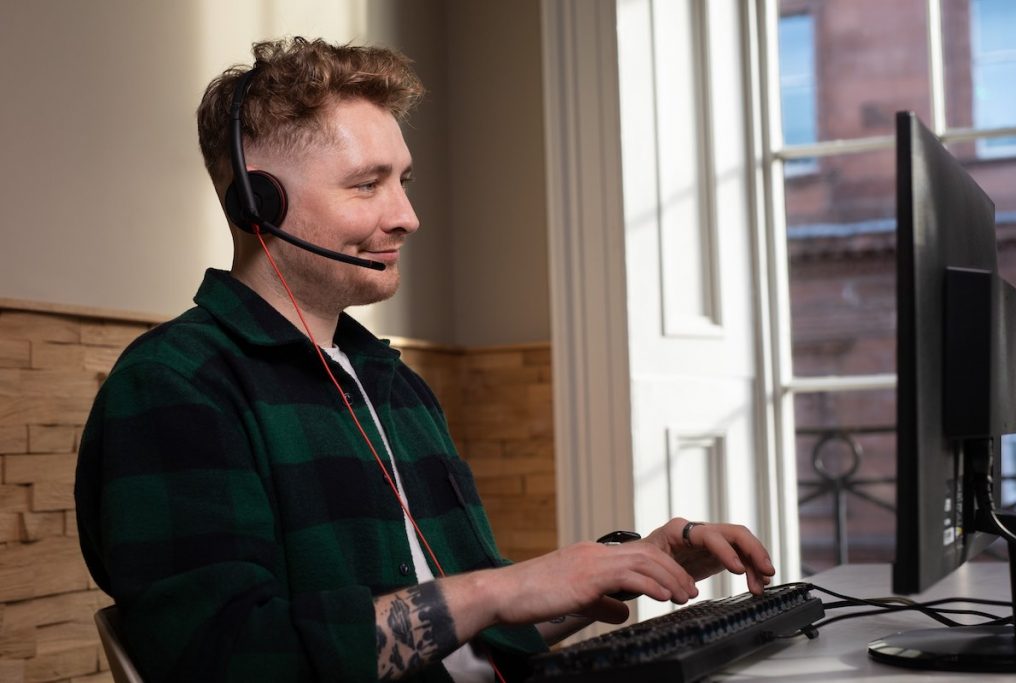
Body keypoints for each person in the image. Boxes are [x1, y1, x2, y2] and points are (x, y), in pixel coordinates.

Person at [74, 37, 776, 683]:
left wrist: (621, 566)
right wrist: (500, 587)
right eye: (367, 183)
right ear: (260, 202)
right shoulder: (175, 386)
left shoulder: (392, 382)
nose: (407, 215)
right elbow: (224, 660)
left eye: (403, 180)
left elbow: (471, 624)